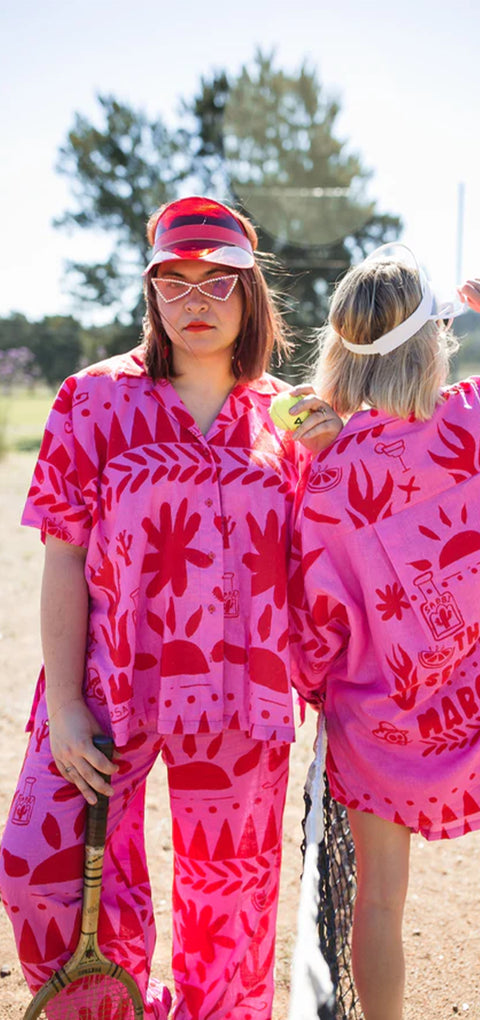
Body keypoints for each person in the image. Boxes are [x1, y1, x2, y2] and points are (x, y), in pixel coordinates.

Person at [0, 195, 341, 1020]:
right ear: (150, 294)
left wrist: (342, 448)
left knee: (228, 911)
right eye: (174, 283)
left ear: (250, 294)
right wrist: (70, 705)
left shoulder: (286, 416)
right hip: (109, 683)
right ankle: (106, 1006)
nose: (195, 301)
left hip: (242, 691)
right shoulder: (92, 399)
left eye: (217, 283)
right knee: (38, 864)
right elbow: (66, 556)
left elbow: (340, 550)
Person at [289, 246, 480, 1020]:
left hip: (378, 723)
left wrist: (325, 692)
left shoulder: (325, 474)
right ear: (434, 343)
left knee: (381, 901)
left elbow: (313, 625)